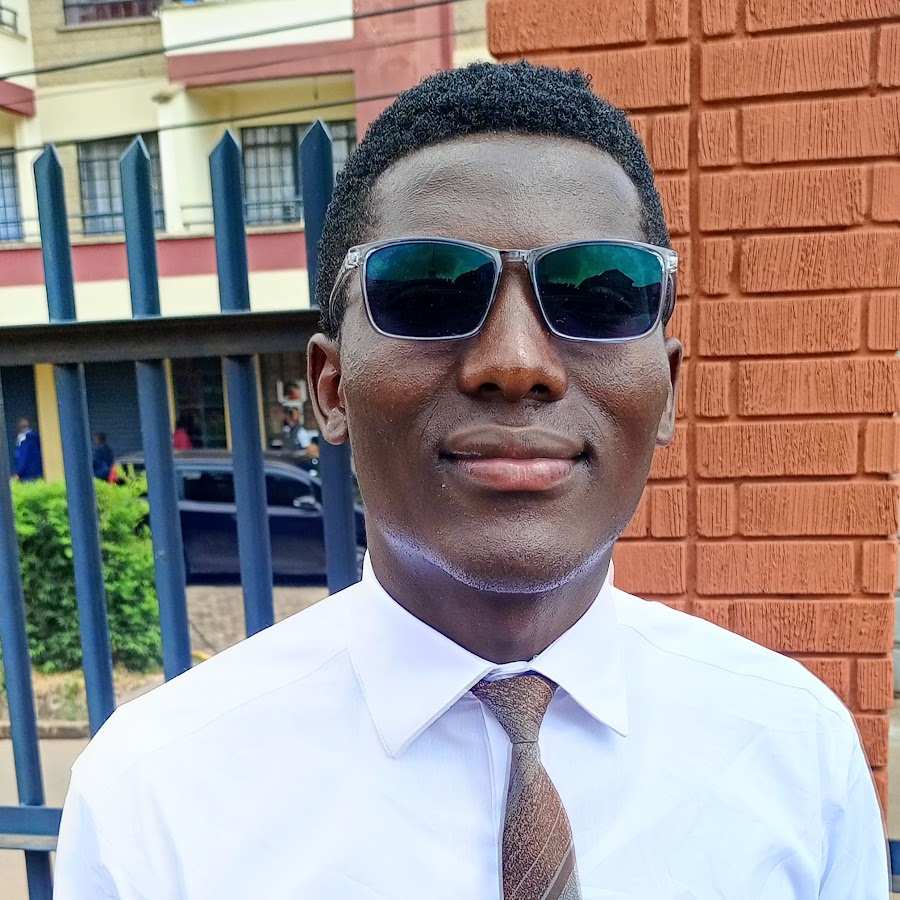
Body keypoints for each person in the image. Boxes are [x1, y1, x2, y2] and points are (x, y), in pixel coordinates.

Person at [53, 63, 888, 898]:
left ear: (666, 390)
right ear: (332, 390)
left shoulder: (795, 749)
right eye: (427, 293)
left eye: (598, 297)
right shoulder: (155, 797)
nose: (516, 363)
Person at [13, 417, 42, 481]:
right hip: (38, 473)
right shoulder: (36, 437)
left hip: (27, 476)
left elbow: (23, 457)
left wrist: (18, 473)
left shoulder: (24, 440)